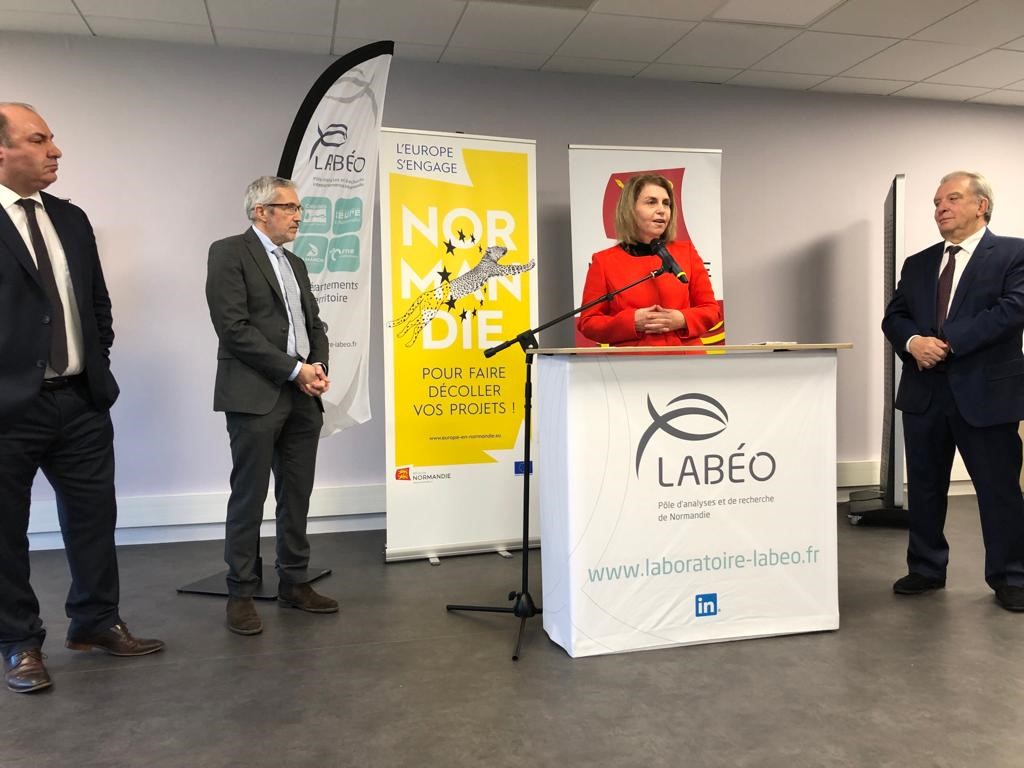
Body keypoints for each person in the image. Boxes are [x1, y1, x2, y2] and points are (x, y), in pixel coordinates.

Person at [0, 103, 164, 694]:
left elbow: (95, 304)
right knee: (6, 532)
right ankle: (18, 641)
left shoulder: (71, 219)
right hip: (7, 411)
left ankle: (95, 621)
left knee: (94, 517)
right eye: (38, 139)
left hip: (80, 401)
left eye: (53, 139)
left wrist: (98, 367)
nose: (55, 150)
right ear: (1, 150)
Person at [882, 171, 1024, 612]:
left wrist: (946, 343)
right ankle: (926, 568)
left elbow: (1013, 309)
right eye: (937, 202)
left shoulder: (1014, 253)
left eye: (953, 199)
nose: (941, 208)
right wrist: (913, 342)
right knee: (925, 487)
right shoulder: (918, 263)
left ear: (982, 205)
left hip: (986, 395)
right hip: (924, 392)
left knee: (998, 490)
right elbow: (895, 316)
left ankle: (1011, 576)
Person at [206, 175, 337, 636]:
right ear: (261, 212)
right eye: (290, 207)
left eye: (299, 208)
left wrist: (317, 366)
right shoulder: (228, 252)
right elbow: (234, 328)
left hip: (302, 396)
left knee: (296, 493)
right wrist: (293, 369)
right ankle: (241, 593)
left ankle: (294, 582)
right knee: (250, 494)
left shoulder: (295, 263)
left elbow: (314, 323)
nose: (298, 216)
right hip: (255, 393)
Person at [578, 173, 720, 347]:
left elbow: (711, 311)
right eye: (651, 202)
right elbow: (588, 322)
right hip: (634, 361)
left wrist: (682, 319)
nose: (662, 210)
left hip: (686, 359)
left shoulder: (686, 252)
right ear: (630, 209)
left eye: (666, 203)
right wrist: (631, 322)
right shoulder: (604, 261)